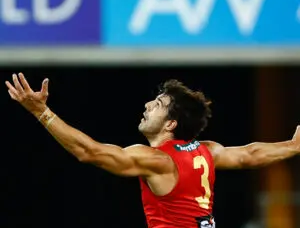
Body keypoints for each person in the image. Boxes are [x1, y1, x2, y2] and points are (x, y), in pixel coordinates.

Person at [5, 73, 300, 228]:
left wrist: (42, 112)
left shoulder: (158, 160)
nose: (147, 105)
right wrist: (293, 146)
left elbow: (90, 152)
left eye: (157, 105)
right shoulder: (207, 152)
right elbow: (250, 154)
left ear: (171, 123)